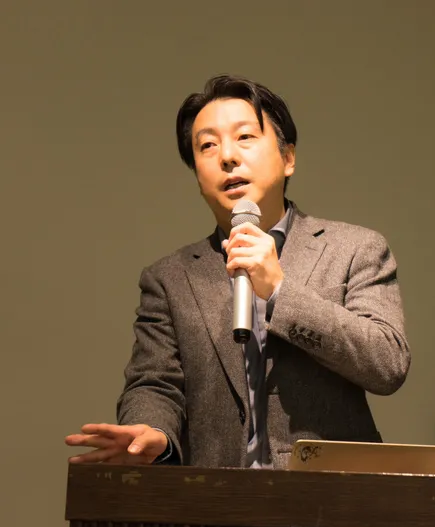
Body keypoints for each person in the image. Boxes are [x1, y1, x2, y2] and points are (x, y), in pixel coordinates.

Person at [65, 75, 411, 469]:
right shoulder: (169, 278)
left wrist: (280, 291)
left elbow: (387, 363)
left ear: (288, 158)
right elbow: (154, 384)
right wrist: (154, 433)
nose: (227, 156)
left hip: (329, 494)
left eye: (244, 137)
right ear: (197, 175)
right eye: (207, 146)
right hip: (218, 496)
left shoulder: (354, 249)